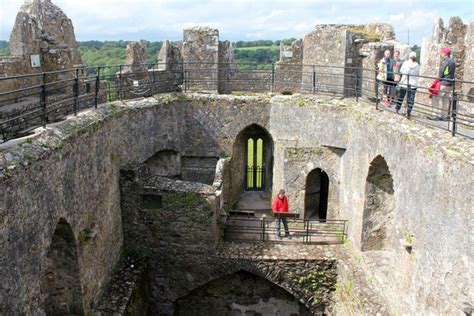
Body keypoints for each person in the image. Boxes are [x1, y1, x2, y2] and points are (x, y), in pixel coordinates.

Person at [430, 47, 456, 120]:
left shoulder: (445, 62)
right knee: (446, 99)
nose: (441, 54)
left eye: (441, 52)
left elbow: (442, 72)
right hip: (450, 83)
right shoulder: (453, 62)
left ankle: (434, 115)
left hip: (444, 82)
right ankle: (444, 116)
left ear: (445, 53)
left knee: (435, 97)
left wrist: (438, 79)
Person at [395, 52, 420, 119]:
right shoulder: (417, 65)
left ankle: (397, 108)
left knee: (401, 96)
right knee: (411, 99)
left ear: (409, 57)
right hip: (413, 84)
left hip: (405, 83)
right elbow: (418, 73)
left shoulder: (405, 63)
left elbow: (401, 71)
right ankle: (408, 112)